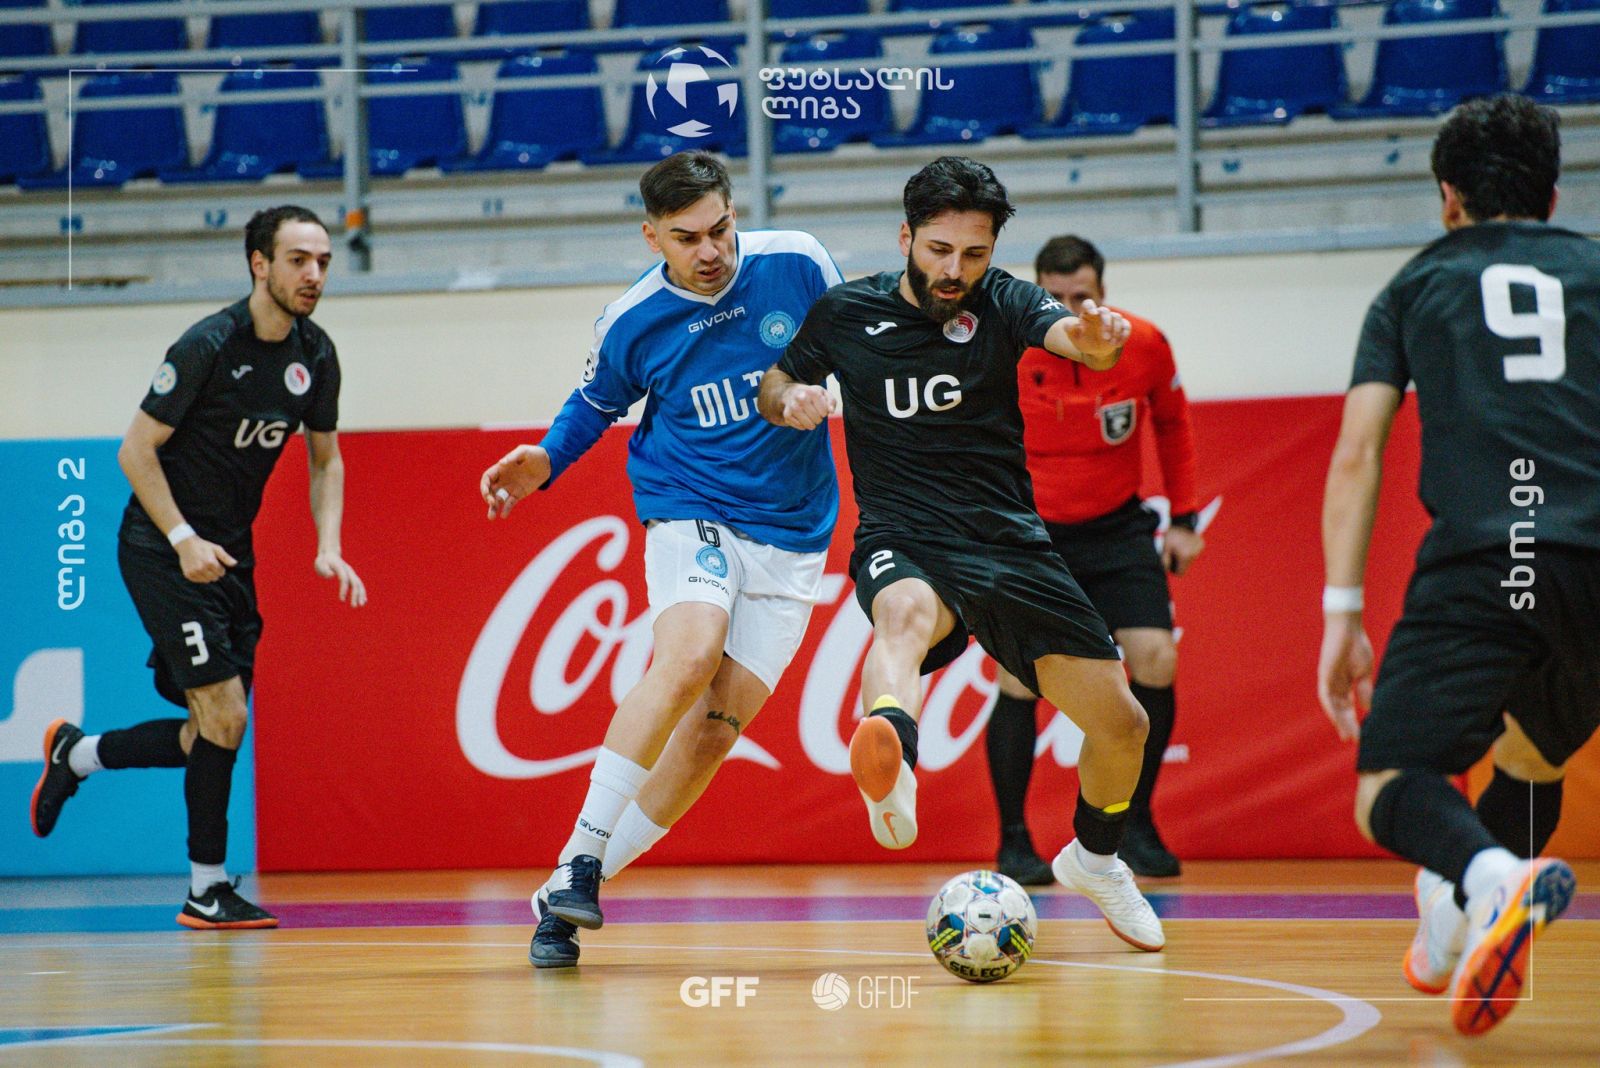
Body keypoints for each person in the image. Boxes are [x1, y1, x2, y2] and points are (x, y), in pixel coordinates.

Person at [761, 156, 1165, 952]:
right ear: (906, 238)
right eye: (940, 250)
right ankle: (893, 760)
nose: (955, 270)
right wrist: (793, 399)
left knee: (1124, 726)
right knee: (903, 616)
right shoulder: (846, 313)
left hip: (1009, 542)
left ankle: (1095, 859)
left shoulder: (1004, 298)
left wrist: (1095, 341)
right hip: (904, 533)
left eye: (974, 253)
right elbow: (775, 385)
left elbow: (1077, 342)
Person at [480, 151, 843, 969]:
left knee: (713, 734)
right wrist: (546, 458)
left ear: (734, 212)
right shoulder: (633, 318)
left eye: (720, 229)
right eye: (687, 238)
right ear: (653, 237)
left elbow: (857, 345)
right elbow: (593, 404)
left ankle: (566, 890)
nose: (710, 251)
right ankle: (583, 855)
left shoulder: (799, 262)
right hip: (691, 505)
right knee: (688, 656)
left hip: (794, 535)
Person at [1318, 95, 1597, 1036]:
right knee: (1530, 751)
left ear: (1448, 198)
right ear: (1552, 195)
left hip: (1492, 552)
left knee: (1388, 784)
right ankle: (1451, 917)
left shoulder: (1413, 286)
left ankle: (1491, 880)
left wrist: (1342, 611)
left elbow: (1359, 452)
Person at [30, 205, 365, 930]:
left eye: (323, 261)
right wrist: (182, 537)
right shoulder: (209, 344)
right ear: (259, 264)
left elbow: (326, 459)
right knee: (226, 713)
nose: (314, 274)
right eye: (299, 260)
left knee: (210, 732)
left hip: (229, 556)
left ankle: (78, 754)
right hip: (163, 546)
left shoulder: (317, 354)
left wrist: (329, 544)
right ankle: (206, 890)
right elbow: (135, 451)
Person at [986, 235, 1203, 884]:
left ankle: (1134, 822)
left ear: (1103, 294)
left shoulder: (1145, 344)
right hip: (1033, 534)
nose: (1069, 309)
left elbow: (1173, 423)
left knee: (1156, 659)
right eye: (1054, 297)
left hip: (1117, 529)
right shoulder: (1009, 349)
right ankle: (1013, 840)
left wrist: (1185, 518)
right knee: (1018, 679)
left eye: (1080, 296)